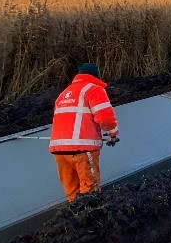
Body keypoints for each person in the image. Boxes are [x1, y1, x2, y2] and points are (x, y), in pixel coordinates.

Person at [48, 63, 119, 202]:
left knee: (72, 192)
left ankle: (76, 219)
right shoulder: (94, 89)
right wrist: (112, 134)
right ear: (95, 76)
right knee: (89, 191)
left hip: (59, 152)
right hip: (82, 150)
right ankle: (90, 219)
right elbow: (105, 117)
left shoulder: (63, 94)